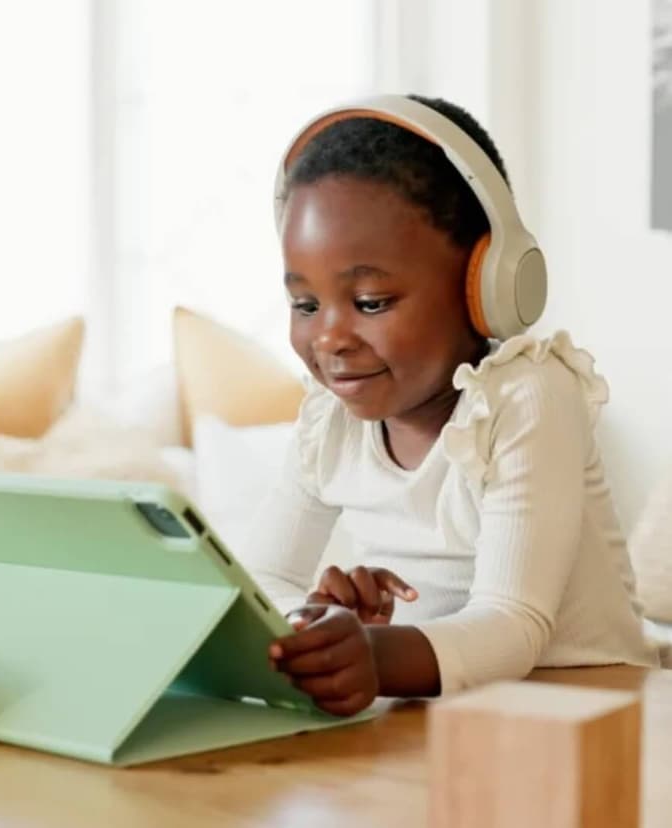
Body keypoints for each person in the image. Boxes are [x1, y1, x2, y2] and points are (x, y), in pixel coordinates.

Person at [242, 94, 659, 717]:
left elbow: (512, 624)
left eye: (372, 301)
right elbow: (260, 583)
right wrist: (319, 631)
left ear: (488, 287)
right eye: (305, 306)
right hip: (445, 712)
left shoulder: (527, 397)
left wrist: (376, 657)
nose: (328, 337)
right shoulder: (331, 421)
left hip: (592, 713)